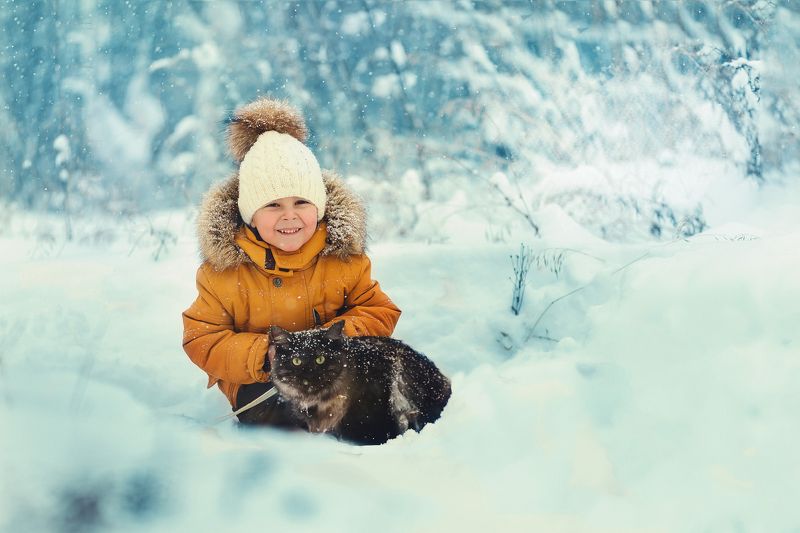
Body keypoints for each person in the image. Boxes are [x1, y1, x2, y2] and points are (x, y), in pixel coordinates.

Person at [182, 97, 401, 426]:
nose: (290, 216)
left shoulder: (341, 258)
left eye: (302, 201)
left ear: (320, 207)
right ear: (250, 215)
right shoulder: (223, 273)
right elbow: (203, 338)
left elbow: (379, 312)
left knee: (372, 402)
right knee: (283, 419)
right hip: (264, 383)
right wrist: (264, 355)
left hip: (332, 370)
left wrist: (330, 341)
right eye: (272, 205)